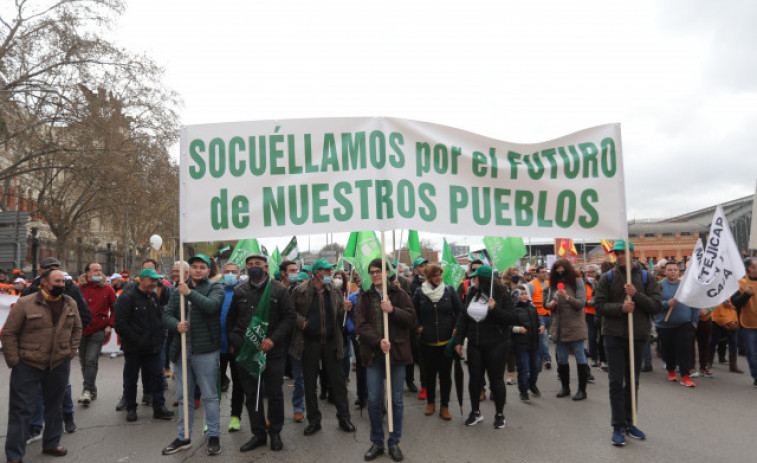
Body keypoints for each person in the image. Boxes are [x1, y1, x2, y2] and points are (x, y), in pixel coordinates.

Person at [3, 268, 82, 461]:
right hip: (28, 365)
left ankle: (52, 443)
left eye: (63, 282)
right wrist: (14, 361)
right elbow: (9, 333)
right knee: (21, 410)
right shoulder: (25, 303)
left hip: (58, 364)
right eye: (57, 282)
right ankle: (14, 455)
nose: (61, 285)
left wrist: (69, 352)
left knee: (55, 407)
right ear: (44, 283)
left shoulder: (70, 303)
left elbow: (77, 328)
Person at [594, 240, 662, 446]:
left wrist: (636, 295)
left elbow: (656, 306)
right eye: (617, 253)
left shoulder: (646, 277)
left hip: (638, 336)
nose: (621, 256)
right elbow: (599, 306)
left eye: (624, 252)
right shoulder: (608, 277)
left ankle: (630, 423)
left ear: (632, 253)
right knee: (616, 382)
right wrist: (620, 308)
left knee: (633, 382)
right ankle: (617, 426)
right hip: (614, 336)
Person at [227, 253, 295, 453]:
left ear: (266, 267)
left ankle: (275, 432)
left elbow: (289, 317)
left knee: (274, 394)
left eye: (258, 264)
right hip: (248, 353)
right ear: (246, 268)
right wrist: (238, 343)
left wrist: (272, 339)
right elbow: (231, 321)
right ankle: (258, 434)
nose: (254, 266)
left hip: (272, 352)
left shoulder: (279, 290)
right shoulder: (239, 291)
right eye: (250, 264)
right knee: (252, 395)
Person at [161, 254, 225, 456]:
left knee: (209, 396)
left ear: (208, 271)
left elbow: (211, 307)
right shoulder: (177, 290)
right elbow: (167, 315)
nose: (198, 270)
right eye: (195, 267)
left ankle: (213, 435)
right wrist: (176, 325)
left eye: (202, 267)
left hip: (205, 351)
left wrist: (189, 293)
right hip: (181, 351)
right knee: (183, 396)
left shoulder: (215, 288)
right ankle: (183, 436)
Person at [21, 257, 90, 436]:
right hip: (36, 351)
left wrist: (71, 345)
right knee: (36, 390)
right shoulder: (30, 290)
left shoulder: (70, 288)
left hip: (60, 351)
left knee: (62, 387)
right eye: (48, 268)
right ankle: (35, 427)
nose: (52, 271)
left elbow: (83, 316)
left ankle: (68, 418)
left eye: (55, 268)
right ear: (40, 272)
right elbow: (19, 319)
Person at [356, 258, 416, 462]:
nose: (374, 275)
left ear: (387, 273)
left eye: (378, 271)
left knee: (396, 400)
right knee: (373, 400)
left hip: (396, 354)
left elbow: (411, 320)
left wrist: (393, 310)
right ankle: (377, 442)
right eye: (371, 272)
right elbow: (361, 325)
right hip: (374, 354)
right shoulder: (365, 296)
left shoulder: (400, 294)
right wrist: (378, 341)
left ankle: (394, 442)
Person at [290, 258, 356, 436]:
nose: (330, 274)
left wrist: (346, 308)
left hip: (332, 342)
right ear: (317, 272)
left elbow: (339, 315)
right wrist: (301, 322)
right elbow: (290, 311)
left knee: (338, 383)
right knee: (310, 384)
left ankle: (344, 418)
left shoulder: (334, 291)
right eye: (326, 271)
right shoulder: (300, 291)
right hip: (309, 343)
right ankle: (314, 421)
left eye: (330, 271)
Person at [454, 264, 515, 429]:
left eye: (475, 277)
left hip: (497, 344)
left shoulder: (502, 294)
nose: (472, 280)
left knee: (496, 380)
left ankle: (499, 414)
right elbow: (464, 318)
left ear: (484, 279)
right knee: (474, 380)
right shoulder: (472, 293)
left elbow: (510, 318)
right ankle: (475, 412)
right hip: (475, 343)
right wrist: (458, 340)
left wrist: (495, 309)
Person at [114, 268, 174, 422]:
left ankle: (159, 407)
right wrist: (137, 339)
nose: (155, 282)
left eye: (156, 280)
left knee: (156, 378)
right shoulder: (127, 297)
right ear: (142, 280)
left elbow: (159, 318)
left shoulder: (153, 296)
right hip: (134, 348)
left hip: (153, 347)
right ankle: (131, 408)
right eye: (151, 279)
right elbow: (120, 324)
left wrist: (159, 338)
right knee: (131, 379)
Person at [413, 263, 462, 420]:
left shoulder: (449, 291)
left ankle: (445, 406)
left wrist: (456, 327)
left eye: (439, 274)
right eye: (435, 275)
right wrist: (418, 327)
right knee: (429, 375)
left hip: (446, 342)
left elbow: (461, 311)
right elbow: (413, 313)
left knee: (446, 376)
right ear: (428, 277)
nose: (438, 278)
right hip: (427, 342)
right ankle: (431, 402)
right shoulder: (420, 292)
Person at [545, 259, 588, 400]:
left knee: (580, 356)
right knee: (562, 359)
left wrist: (567, 297)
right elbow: (547, 303)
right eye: (557, 273)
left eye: (562, 272)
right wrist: (550, 304)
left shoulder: (578, 282)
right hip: (559, 327)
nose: (560, 275)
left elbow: (581, 303)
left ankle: (582, 390)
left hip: (575, 326)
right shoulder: (553, 285)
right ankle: (565, 387)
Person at [75, 262, 116, 405]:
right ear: (87, 273)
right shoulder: (78, 289)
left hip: (99, 329)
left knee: (91, 359)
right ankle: (92, 389)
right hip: (81, 330)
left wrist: (110, 325)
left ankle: (86, 391)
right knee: (83, 360)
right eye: (95, 270)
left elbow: (115, 308)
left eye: (100, 270)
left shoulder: (108, 289)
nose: (98, 273)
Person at [655, 261, 699, 387]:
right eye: (670, 269)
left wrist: (694, 321)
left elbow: (694, 302)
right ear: (665, 272)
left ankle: (685, 376)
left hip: (684, 323)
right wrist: (666, 304)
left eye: (675, 269)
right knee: (668, 349)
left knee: (684, 349)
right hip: (665, 324)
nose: (673, 272)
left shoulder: (685, 285)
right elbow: (654, 304)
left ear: (679, 272)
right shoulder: (659, 286)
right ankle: (671, 369)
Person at [218, 262, 244, 432]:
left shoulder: (244, 291)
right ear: (222, 274)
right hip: (217, 346)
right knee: (215, 385)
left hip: (238, 346)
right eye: (226, 271)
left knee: (238, 383)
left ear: (239, 275)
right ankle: (212, 418)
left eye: (233, 272)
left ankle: (235, 416)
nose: (230, 274)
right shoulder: (215, 290)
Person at [511, 285, 544, 401]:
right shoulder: (513, 309)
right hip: (521, 344)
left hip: (534, 342)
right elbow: (508, 327)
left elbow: (538, 320)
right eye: (522, 294)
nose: (524, 296)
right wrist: (517, 329)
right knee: (523, 368)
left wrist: (541, 326)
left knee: (536, 367)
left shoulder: (532, 307)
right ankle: (523, 390)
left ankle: (532, 384)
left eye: (525, 293)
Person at [730, 257, 757, 387]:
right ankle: (756, 376)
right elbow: (735, 302)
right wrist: (746, 294)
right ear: (751, 269)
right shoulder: (741, 283)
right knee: (751, 353)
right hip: (748, 324)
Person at [407, 257, 428, 396]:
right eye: (420, 266)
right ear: (415, 269)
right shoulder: (412, 285)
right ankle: (415, 382)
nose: (424, 268)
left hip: (431, 325)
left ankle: (428, 382)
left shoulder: (432, 282)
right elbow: (412, 308)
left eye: (425, 265)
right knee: (417, 357)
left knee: (428, 358)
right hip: (417, 327)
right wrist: (417, 325)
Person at [526, 266, 552, 369]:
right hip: (538, 315)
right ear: (536, 273)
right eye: (542, 272)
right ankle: (547, 358)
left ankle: (539, 356)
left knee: (541, 338)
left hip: (548, 313)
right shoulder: (531, 285)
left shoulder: (549, 284)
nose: (544, 274)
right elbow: (528, 299)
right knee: (543, 337)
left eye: (545, 272)